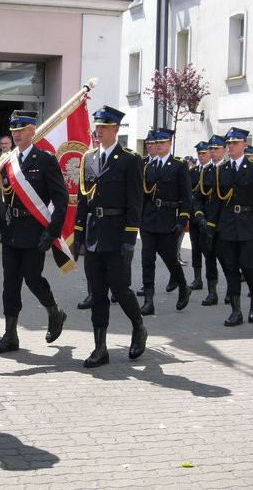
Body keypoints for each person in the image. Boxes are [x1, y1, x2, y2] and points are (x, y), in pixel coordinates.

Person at [0, 110, 69, 354]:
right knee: (10, 283)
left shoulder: (45, 160)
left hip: (35, 230)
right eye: (13, 130)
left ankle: (54, 311)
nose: (16, 134)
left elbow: (61, 200)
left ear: (33, 131)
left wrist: (52, 232)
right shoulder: (8, 160)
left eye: (21, 129)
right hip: (12, 229)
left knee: (33, 279)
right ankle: (10, 335)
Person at [73, 106, 146, 367]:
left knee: (121, 289)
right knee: (97, 293)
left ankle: (138, 327)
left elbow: (136, 202)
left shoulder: (129, 159)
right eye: (97, 126)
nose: (99, 131)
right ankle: (100, 348)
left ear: (116, 129)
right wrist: (78, 234)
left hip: (117, 234)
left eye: (104, 127)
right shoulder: (89, 158)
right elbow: (83, 199)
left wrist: (130, 238)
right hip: (93, 233)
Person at [211, 127, 253, 327]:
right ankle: (235, 311)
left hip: (248, 222)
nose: (231, 146)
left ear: (245, 145)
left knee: (247, 265)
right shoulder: (222, 169)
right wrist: (211, 225)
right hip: (228, 223)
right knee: (230, 267)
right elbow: (217, 200)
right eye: (229, 143)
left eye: (235, 143)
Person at [139, 127, 192, 315]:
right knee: (147, 260)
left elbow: (186, 196)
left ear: (170, 143)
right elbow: (144, 196)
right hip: (148, 219)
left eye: (162, 142)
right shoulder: (149, 167)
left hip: (168, 218)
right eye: (156, 142)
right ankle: (148, 301)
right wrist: (139, 218)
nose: (158, 145)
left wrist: (182, 220)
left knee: (170, 259)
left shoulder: (178, 165)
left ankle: (183, 287)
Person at [192, 135, 227, 306]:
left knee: (227, 260)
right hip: (206, 223)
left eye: (216, 149)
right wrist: (199, 216)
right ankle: (212, 292)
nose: (212, 152)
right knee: (209, 258)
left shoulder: (229, 169)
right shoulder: (206, 171)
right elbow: (199, 196)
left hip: (223, 223)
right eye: (211, 149)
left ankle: (231, 290)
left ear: (224, 150)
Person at [187, 141, 211, 292]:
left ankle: (211, 279)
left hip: (208, 216)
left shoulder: (214, 170)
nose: (201, 156)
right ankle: (197, 278)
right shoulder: (193, 172)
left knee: (208, 249)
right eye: (199, 153)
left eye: (204, 153)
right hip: (194, 215)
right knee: (195, 247)